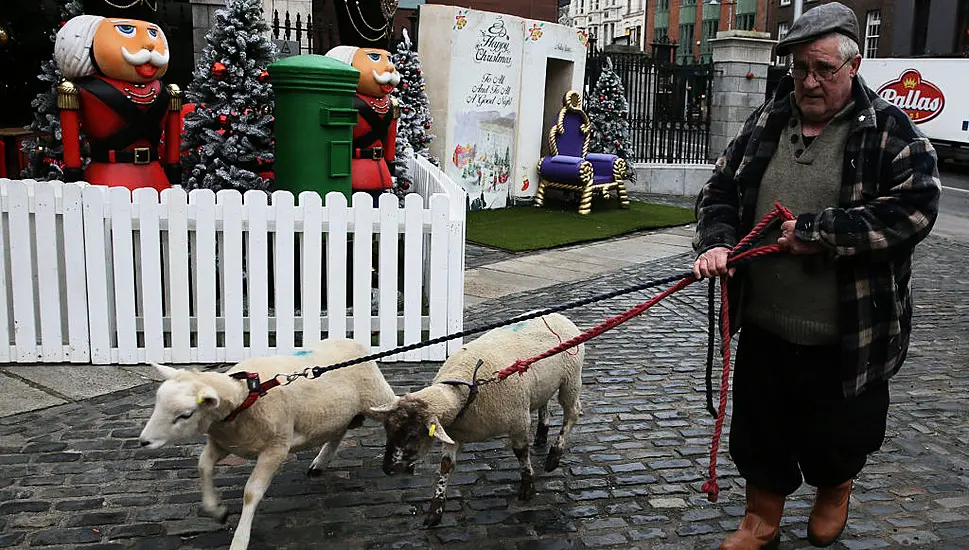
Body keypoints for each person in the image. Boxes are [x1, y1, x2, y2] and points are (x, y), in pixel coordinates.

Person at [692, 3, 941, 549]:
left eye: (824, 69)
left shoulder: (889, 130)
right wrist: (718, 241)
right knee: (761, 430)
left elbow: (917, 208)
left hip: (849, 331)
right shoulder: (767, 120)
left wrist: (820, 232)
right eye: (801, 67)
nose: (809, 81)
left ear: (854, 65)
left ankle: (835, 489)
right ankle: (762, 518)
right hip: (765, 324)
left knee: (839, 435)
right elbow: (719, 190)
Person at [54, 13, 181, 191]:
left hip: (156, 177)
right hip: (108, 177)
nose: (149, 44)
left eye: (153, 33)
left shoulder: (166, 91)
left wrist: (174, 174)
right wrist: (74, 177)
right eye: (126, 30)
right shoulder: (84, 90)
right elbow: (71, 135)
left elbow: (172, 137)